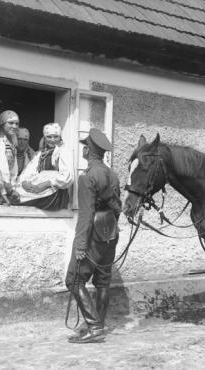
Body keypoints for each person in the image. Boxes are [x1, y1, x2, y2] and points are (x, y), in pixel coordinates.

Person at [65, 128, 121, 344]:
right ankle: (99, 323)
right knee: (103, 281)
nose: (84, 150)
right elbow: (117, 209)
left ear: (88, 150)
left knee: (74, 280)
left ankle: (95, 328)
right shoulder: (112, 174)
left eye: (84, 146)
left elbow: (86, 216)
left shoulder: (89, 176)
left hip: (93, 235)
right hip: (111, 232)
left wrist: (80, 245)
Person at [13, 122, 73, 210]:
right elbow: (29, 171)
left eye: (55, 137)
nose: (52, 140)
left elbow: (67, 177)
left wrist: (46, 184)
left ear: (60, 137)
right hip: (39, 186)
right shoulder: (40, 154)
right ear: (44, 138)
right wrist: (24, 182)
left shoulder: (63, 152)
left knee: (23, 200)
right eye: (49, 137)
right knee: (15, 195)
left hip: (54, 193)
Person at [0, 110, 20, 205]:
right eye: (11, 123)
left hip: (8, 189)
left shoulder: (11, 143)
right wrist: (4, 192)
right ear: (2, 124)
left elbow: (13, 170)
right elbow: (0, 170)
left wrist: (12, 188)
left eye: (16, 124)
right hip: (0, 190)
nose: (14, 126)